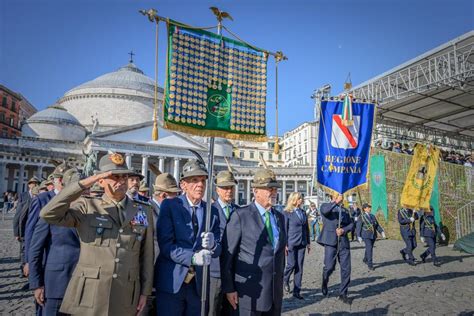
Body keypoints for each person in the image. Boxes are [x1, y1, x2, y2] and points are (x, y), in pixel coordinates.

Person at [40, 153, 154, 315]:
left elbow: (147, 255)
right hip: (89, 293)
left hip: (125, 293)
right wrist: (84, 183)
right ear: (100, 180)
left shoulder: (143, 210)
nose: (121, 181)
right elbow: (48, 214)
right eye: (114, 177)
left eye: (124, 176)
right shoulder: (87, 206)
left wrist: (145, 292)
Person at [154, 158, 221, 316]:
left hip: (198, 285)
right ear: (183, 185)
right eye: (194, 180)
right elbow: (166, 246)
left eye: (203, 180)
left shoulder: (213, 211)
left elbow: (219, 249)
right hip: (172, 282)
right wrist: (192, 258)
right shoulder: (170, 206)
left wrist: (213, 246)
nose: (200, 185)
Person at [221, 167, 287, 315]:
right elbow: (227, 257)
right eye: (268, 188)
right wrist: (229, 288)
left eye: (275, 188)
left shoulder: (280, 218)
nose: (273, 192)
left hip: (274, 294)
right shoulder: (240, 216)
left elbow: (278, 254)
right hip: (248, 294)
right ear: (255, 191)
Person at [28, 169, 81, 315]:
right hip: (56, 285)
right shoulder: (51, 212)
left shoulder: (90, 213)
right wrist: (36, 284)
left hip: (84, 287)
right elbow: (35, 249)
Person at [141, 172, 181, 316]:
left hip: (164, 278)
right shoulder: (145, 210)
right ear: (164, 195)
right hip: (149, 275)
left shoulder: (170, 210)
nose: (177, 198)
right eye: (174, 194)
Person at [209, 169, 239, 315]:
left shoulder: (239, 211)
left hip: (235, 272)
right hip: (215, 272)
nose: (229, 191)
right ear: (217, 190)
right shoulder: (209, 211)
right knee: (213, 310)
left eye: (231, 187)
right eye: (225, 188)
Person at [318, 193, 353, 304]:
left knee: (346, 268)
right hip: (330, 242)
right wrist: (335, 202)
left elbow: (351, 224)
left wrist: (344, 230)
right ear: (333, 197)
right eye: (337, 195)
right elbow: (325, 211)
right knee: (329, 267)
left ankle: (343, 293)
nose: (340, 197)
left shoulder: (345, 210)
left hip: (343, 242)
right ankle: (325, 280)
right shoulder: (325, 206)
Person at [283, 192, 310, 300]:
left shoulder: (303, 212)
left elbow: (306, 228)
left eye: (301, 198)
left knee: (299, 267)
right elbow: (284, 230)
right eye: (299, 199)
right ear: (293, 200)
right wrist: (284, 244)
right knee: (291, 264)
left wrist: (308, 242)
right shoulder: (287, 213)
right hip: (291, 243)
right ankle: (285, 279)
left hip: (302, 243)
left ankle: (297, 291)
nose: (301, 200)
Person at [12, 176, 41, 277]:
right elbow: (18, 216)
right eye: (32, 183)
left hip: (36, 229)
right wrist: (16, 232)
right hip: (24, 229)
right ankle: (22, 269)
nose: (34, 185)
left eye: (36, 183)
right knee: (23, 250)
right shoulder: (23, 196)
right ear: (29, 185)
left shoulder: (40, 196)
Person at [355, 203, 386, 271]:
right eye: (368, 208)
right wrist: (358, 236)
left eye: (370, 207)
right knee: (369, 249)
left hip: (373, 235)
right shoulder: (361, 216)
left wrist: (381, 232)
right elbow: (358, 227)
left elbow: (376, 225)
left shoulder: (372, 216)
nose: (370, 209)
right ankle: (370, 264)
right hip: (366, 235)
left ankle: (365, 259)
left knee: (369, 247)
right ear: (365, 209)